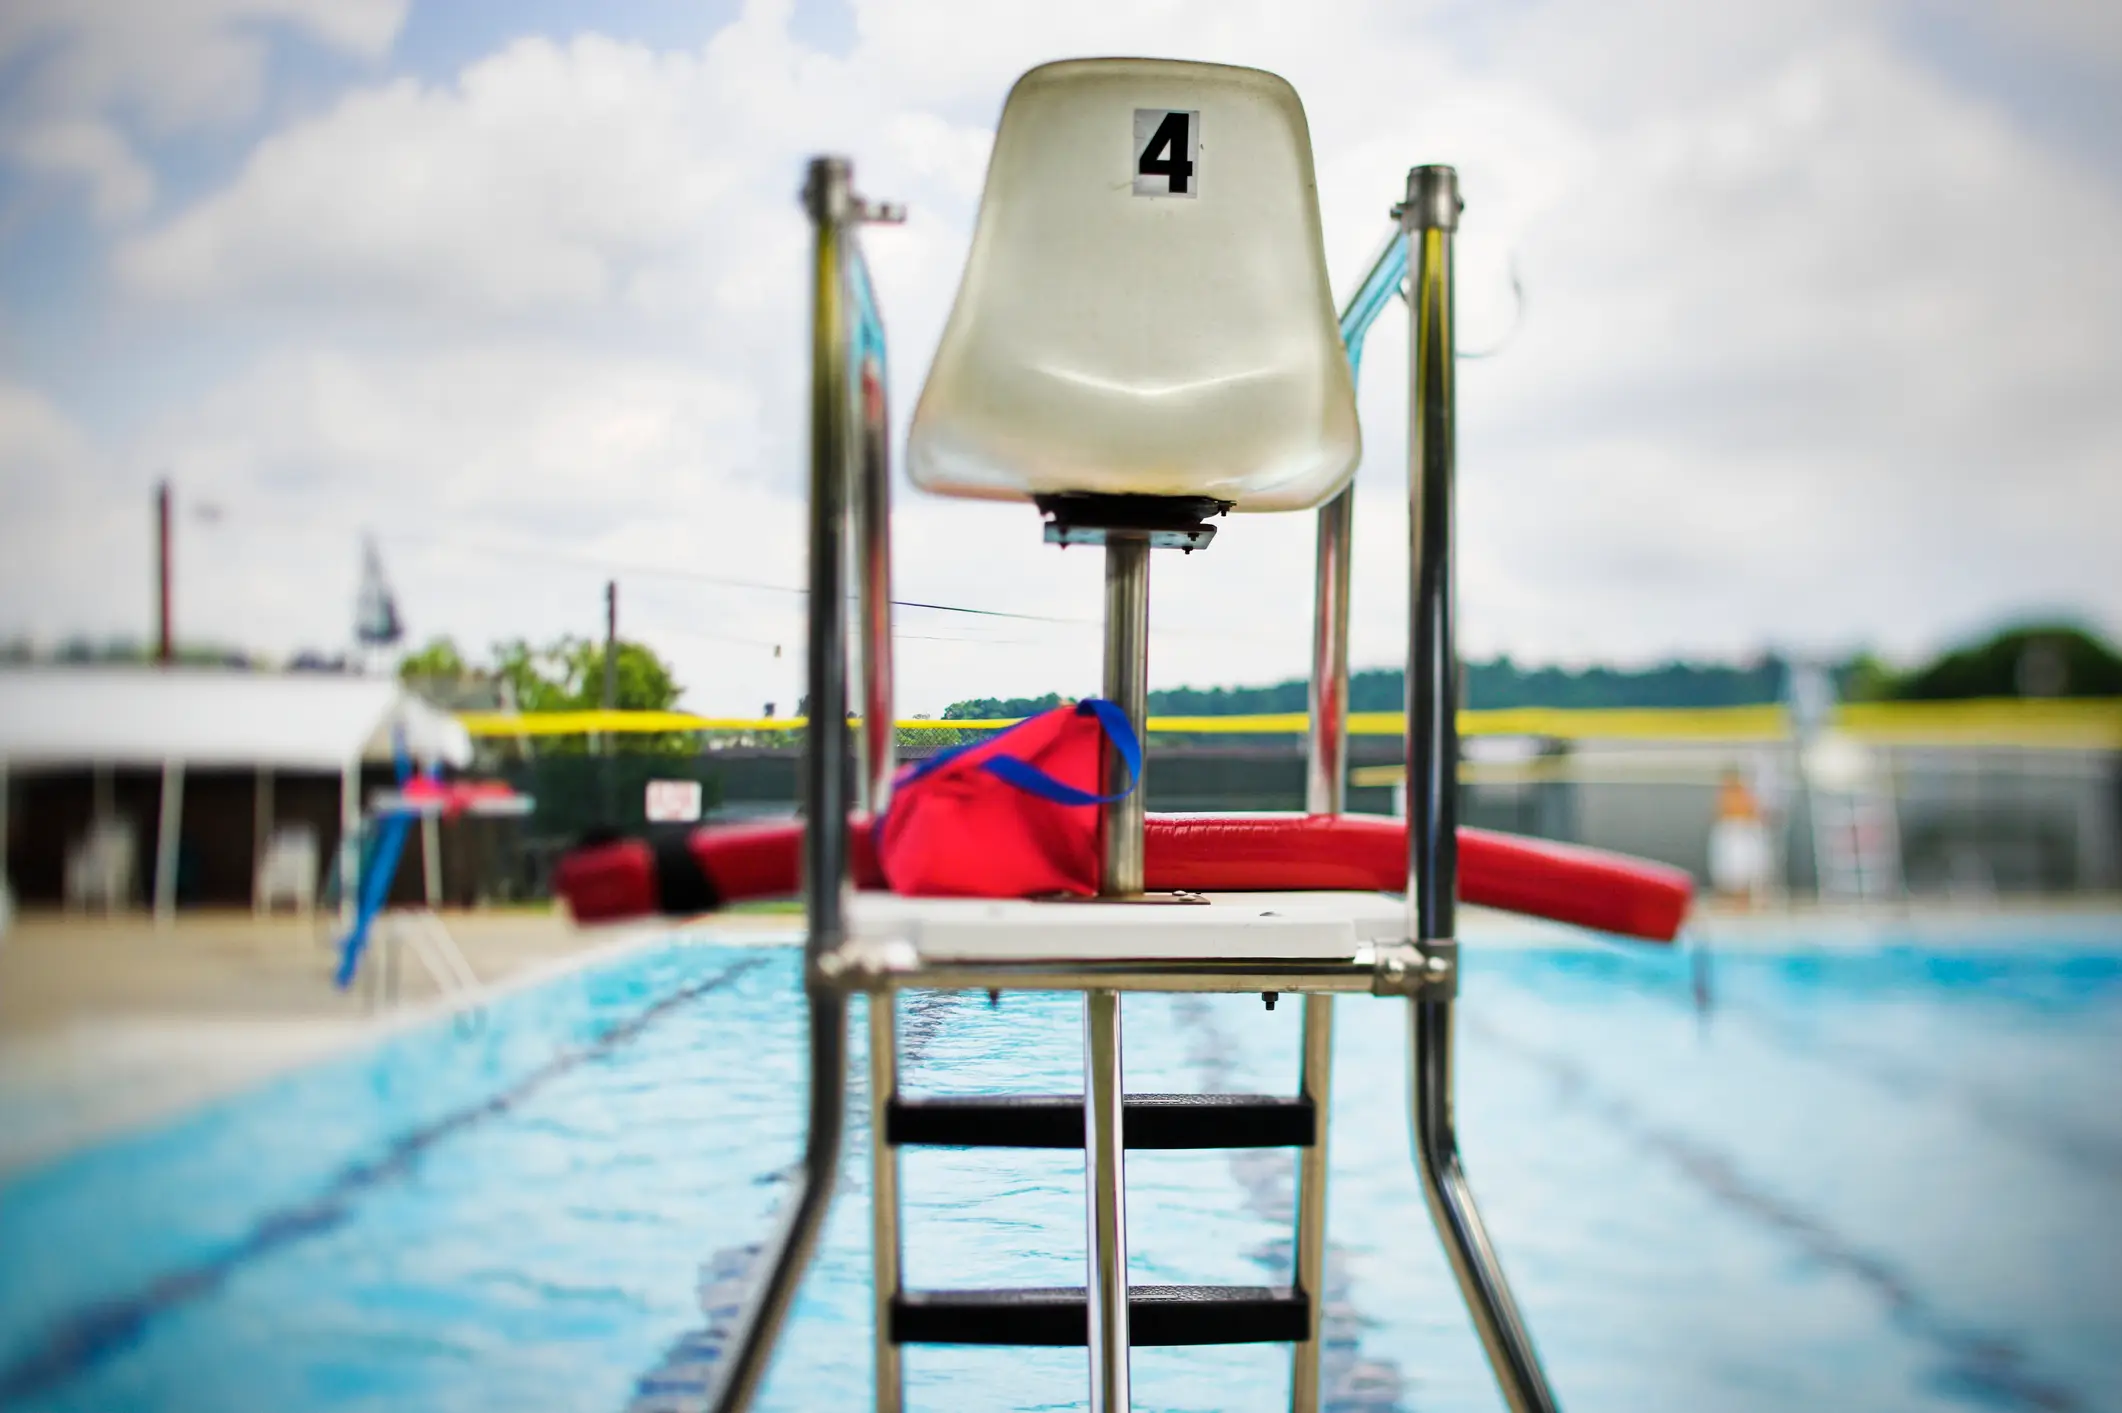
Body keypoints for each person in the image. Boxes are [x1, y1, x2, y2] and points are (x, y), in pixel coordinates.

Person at [1708, 767, 1768, 908]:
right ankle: (1729, 896)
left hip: (1744, 834)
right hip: (1729, 833)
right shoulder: (1723, 797)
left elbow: (1756, 814)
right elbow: (1718, 814)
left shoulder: (1748, 797)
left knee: (1745, 867)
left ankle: (1745, 897)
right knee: (1728, 868)